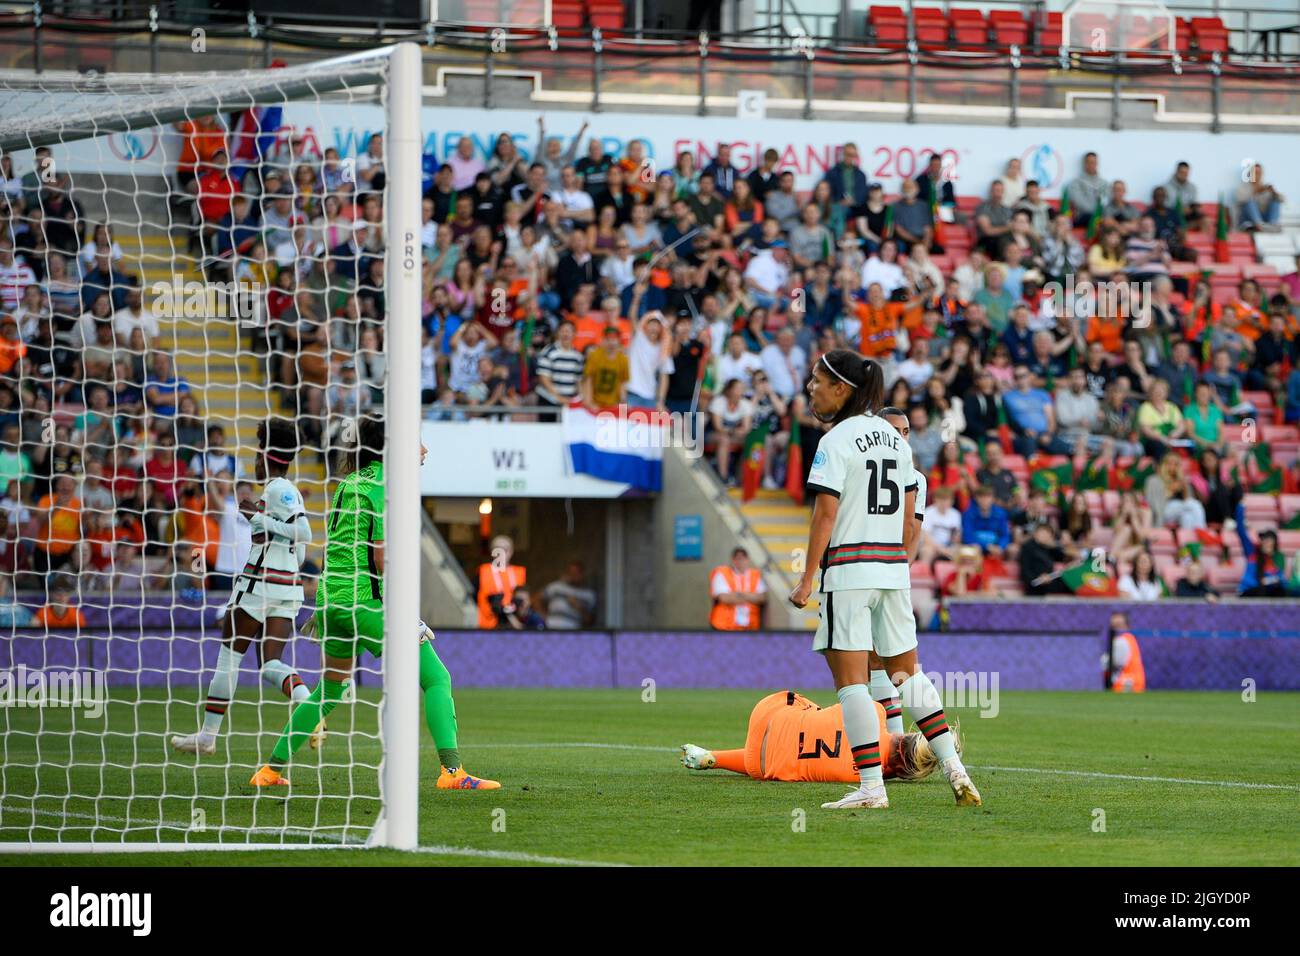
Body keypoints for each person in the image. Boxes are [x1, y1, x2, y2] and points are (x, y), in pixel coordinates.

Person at [251, 419, 499, 790]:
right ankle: (452, 773)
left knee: (329, 689)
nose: (424, 449)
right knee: (437, 678)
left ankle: (269, 770)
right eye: (417, 442)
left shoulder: (348, 483)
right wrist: (406, 614)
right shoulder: (386, 487)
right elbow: (381, 559)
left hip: (329, 603)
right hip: (365, 603)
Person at [788, 348, 979, 809]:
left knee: (852, 683)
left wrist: (806, 578)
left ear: (842, 388)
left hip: (850, 571)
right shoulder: (896, 441)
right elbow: (909, 517)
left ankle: (872, 787)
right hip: (893, 571)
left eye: (817, 380)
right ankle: (955, 767)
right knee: (907, 674)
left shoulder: (835, 440)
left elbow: (825, 514)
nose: (811, 387)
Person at [172, 419, 315, 756]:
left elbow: (304, 532)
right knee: (269, 665)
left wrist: (256, 517)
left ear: (266, 454)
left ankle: (207, 736)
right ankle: (308, 704)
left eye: (258, 451)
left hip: (259, 584)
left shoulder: (278, 487)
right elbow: (300, 544)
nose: (255, 459)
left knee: (228, 660)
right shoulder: (283, 489)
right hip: (286, 587)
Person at [679, 690, 955, 784]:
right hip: (760, 767)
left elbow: (881, 700)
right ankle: (716, 758)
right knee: (792, 756)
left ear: (908, 734)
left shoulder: (876, 711)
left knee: (811, 719)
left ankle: (712, 757)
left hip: (768, 713)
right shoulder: (861, 776)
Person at [709, 546, 767, 631]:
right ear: (732, 560)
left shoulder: (755, 575)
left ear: (747, 560)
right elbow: (724, 598)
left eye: (742, 558)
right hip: (724, 627)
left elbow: (762, 598)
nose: (740, 562)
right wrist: (751, 597)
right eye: (737, 559)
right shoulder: (722, 573)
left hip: (750, 627)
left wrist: (738, 595)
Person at [477, 533, 526, 630]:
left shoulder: (519, 573)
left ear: (511, 552)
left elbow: (524, 600)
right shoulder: (483, 571)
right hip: (488, 626)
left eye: (505, 549)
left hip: (514, 626)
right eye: (497, 549)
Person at [542, 561, 597, 629]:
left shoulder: (589, 595)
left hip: (572, 631)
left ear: (582, 574)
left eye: (576, 573)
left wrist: (579, 607)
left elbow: (590, 622)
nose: (573, 575)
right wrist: (542, 616)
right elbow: (535, 598)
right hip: (550, 627)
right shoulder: (556, 586)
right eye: (571, 572)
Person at [1105, 611, 1146, 693]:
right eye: (1114, 626)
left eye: (1119, 625)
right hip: (1138, 683)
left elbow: (1112, 662)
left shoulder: (1121, 640)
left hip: (1125, 684)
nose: (1116, 629)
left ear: (1127, 626)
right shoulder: (1131, 638)